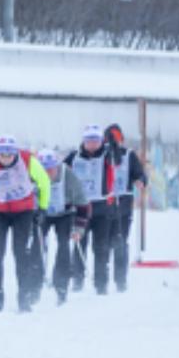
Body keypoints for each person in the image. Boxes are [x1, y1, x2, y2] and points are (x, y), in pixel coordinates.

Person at [0, 135, 50, 313]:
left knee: (21, 253)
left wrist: (42, 209)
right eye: (2, 154)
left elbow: (44, 183)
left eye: (10, 154)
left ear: (16, 153)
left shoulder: (28, 161)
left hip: (23, 212)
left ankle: (24, 297)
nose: (6, 158)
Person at [64, 126, 117, 295]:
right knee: (80, 244)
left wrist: (113, 142)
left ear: (101, 141)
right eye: (89, 140)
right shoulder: (74, 156)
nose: (92, 144)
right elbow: (60, 172)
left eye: (96, 140)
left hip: (102, 207)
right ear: (84, 141)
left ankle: (101, 285)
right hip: (81, 208)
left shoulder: (108, 154)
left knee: (101, 247)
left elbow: (118, 157)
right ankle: (77, 281)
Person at [34, 148, 87, 305]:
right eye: (44, 170)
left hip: (65, 213)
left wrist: (78, 229)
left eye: (51, 169)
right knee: (36, 245)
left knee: (64, 246)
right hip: (41, 213)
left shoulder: (69, 176)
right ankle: (33, 286)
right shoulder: (32, 176)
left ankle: (61, 286)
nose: (48, 173)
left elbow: (83, 204)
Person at [104, 123, 146, 292]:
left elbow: (139, 173)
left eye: (117, 138)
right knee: (104, 242)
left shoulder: (129, 155)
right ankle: (102, 277)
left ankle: (120, 280)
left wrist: (141, 181)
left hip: (123, 202)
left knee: (120, 240)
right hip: (105, 203)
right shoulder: (102, 156)